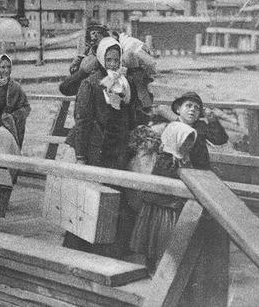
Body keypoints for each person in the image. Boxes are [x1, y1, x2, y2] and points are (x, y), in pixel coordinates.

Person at [64, 37, 137, 255]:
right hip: (96, 148)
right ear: (101, 59)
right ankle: (81, 245)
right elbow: (83, 121)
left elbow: (128, 115)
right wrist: (80, 155)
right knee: (91, 198)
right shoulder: (91, 83)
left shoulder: (124, 84)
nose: (113, 64)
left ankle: (113, 247)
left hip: (117, 148)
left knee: (116, 196)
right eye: (109, 59)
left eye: (116, 60)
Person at [130, 121, 196, 272]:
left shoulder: (180, 159)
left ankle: (162, 268)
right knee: (159, 239)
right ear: (176, 140)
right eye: (186, 141)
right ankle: (156, 269)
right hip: (163, 207)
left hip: (170, 204)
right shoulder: (167, 160)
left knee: (164, 241)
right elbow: (164, 185)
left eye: (190, 142)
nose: (189, 145)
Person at [170, 92, 227, 170]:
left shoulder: (200, 126)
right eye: (188, 106)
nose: (193, 109)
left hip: (202, 173)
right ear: (178, 109)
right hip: (178, 174)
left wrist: (212, 119)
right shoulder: (172, 129)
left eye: (196, 107)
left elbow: (220, 140)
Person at [0, 54, 31, 149]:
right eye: (2, 67)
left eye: (9, 67)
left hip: (10, 127)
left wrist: (12, 116)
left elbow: (26, 107)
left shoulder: (15, 87)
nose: (6, 70)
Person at [59, 21, 110, 96]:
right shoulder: (87, 55)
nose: (95, 35)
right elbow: (65, 88)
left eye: (98, 33)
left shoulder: (109, 54)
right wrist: (76, 70)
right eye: (93, 33)